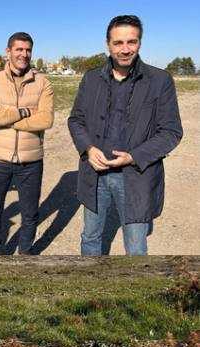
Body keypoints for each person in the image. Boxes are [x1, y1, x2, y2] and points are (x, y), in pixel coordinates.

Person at [67, 15, 183, 255]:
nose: (125, 49)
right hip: (95, 173)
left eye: (132, 42)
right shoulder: (91, 79)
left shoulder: (160, 80)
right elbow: (76, 120)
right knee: (90, 237)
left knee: (136, 247)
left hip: (135, 175)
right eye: (118, 43)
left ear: (140, 43)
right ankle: (89, 286)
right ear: (107, 44)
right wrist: (88, 148)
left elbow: (171, 132)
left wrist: (133, 156)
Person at [0, 32, 54, 255]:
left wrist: (9, 121)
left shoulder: (43, 83)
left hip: (31, 161)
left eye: (28, 50)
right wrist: (23, 113)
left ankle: (25, 254)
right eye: (19, 49)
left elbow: (46, 119)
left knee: (30, 214)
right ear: (8, 51)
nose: (24, 54)